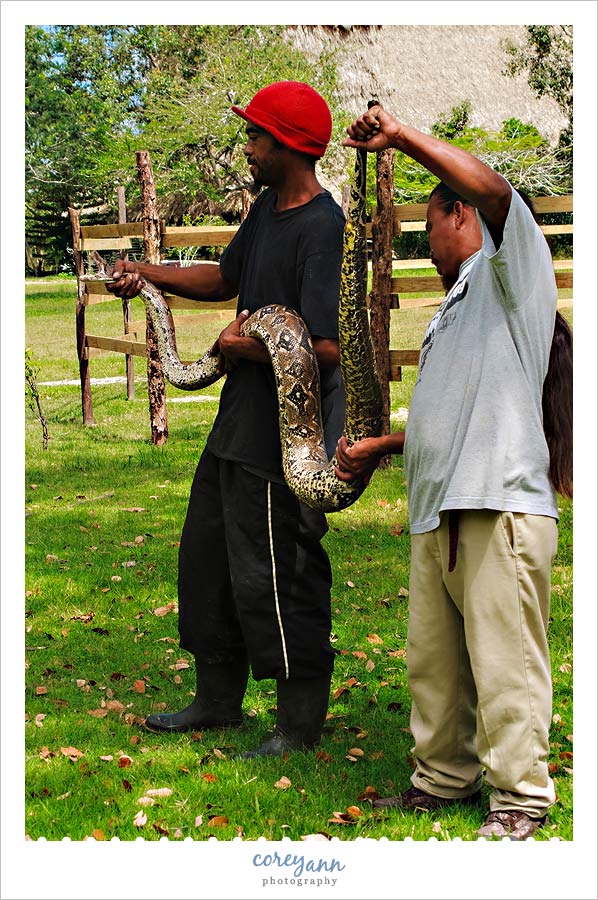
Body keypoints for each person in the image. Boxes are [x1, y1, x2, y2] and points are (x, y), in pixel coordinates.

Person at [335, 105, 573, 839]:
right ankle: (442, 778)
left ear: (462, 215)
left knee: (505, 662)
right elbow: (460, 415)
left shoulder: (511, 273)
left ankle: (520, 798)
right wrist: (386, 448)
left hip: (498, 508)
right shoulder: (459, 306)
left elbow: (501, 193)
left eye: (429, 220)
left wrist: (402, 138)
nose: (422, 235)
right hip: (440, 511)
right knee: (437, 666)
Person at [107, 81, 346, 757]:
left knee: (279, 570)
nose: (247, 147)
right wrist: (147, 273)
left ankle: (298, 724)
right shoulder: (268, 208)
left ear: (289, 146)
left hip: (286, 438)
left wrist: (252, 343)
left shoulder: (323, 229)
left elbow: (326, 346)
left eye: (255, 137)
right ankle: (216, 701)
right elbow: (226, 280)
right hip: (237, 422)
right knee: (207, 559)